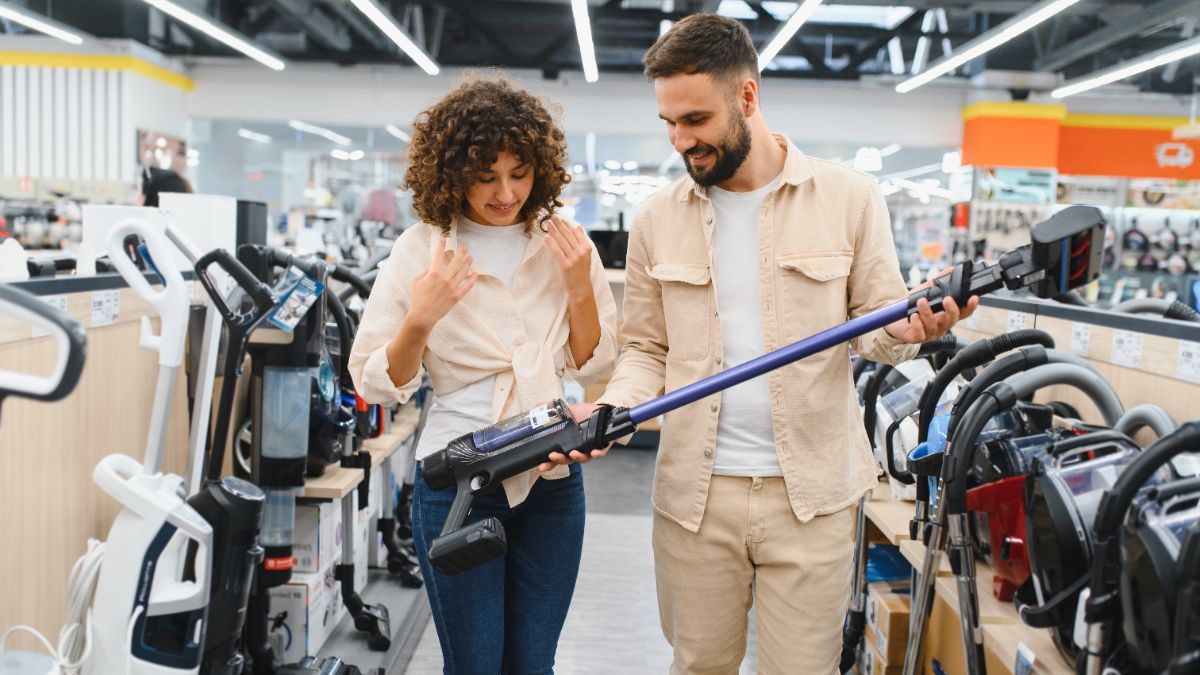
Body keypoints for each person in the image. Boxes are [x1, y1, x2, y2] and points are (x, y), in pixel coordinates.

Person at [552, 14, 978, 674]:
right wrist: (613, 409)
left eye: (695, 119)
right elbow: (645, 349)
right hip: (696, 497)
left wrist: (913, 330)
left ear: (746, 97)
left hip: (811, 496)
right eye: (669, 122)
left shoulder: (849, 198)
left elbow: (879, 328)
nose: (680, 140)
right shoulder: (658, 217)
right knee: (699, 666)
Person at [347, 73, 619, 674]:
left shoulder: (566, 245)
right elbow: (373, 380)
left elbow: (596, 362)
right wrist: (419, 320)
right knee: (473, 666)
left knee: (533, 665)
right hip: (458, 483)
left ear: (539, 169)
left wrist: (579, 289)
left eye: (519, 173)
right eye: (485, 175)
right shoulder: (424, 249)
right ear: (453, 171)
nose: (505, 192)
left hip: (552, 482)